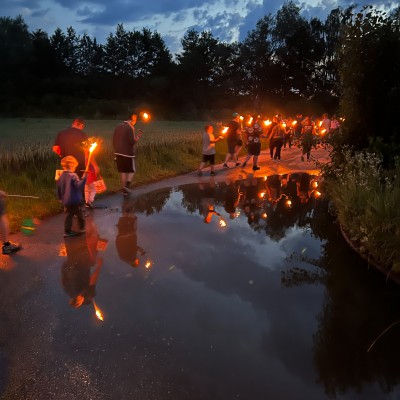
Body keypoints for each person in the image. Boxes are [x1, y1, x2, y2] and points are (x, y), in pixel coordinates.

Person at [113, 113, 143, 195]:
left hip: (118, 152)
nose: (135, 121)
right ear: (132, 119)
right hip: (128, 154)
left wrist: (116, 151)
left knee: (123, 171)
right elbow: (132, 142)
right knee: (132, 170)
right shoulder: (130, 127)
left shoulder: (118, 126)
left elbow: (114, 139)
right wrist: (139, 136)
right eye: (135, 119)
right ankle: (127, 186)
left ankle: (124, 189)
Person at [57, 156, 87, 237]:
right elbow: (79, 186)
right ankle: (82, 228)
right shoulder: (73, 175)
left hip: (66, 201)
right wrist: (84, 178)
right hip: (76, 200)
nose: (75, 168)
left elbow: (59, 188)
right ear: (71, 165)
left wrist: (60, 198)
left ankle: (67, 231)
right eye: (74, 166)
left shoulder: (60, 177)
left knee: (68, 216)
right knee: (80, 214)